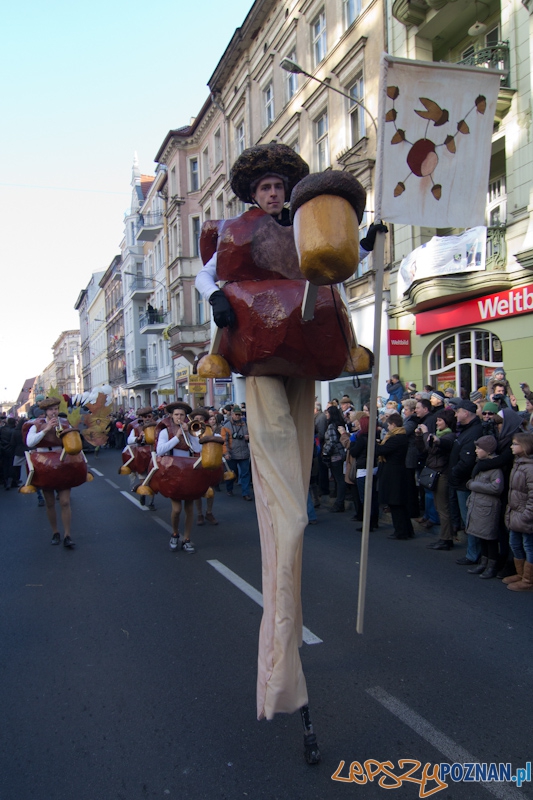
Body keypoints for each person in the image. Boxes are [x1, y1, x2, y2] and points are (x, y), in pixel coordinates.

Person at [195, 142, 385, 757]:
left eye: (281, 187)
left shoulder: (307, 226)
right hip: (260, 354)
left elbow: (333, 264)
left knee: (329, 305)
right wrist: (217, 299)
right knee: (286, 497)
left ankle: (292, 514)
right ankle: (289, 518)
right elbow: (210, 272)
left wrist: (367, 242)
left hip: (304, 348)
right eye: (267, 188)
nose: (274, 195)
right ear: (255, 192)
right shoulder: (237, 229)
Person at [25, 397, 87, 548]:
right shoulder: (36, 424)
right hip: (44, 463)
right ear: (45, 411)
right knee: (50, 502)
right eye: (51, 409)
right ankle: (55, 532)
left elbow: (74, 443)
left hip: (62, 462)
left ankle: (67, 535)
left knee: (65, 502)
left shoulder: (64, 423)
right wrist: (46, 429)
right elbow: (30, 442)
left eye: (56, 409)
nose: (54, 412)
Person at [155, 402, 202, 553]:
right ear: (171, 416)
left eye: (182, 415)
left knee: (189, 508)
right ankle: (175, 533)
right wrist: (177, 437)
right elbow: (160, 450)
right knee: (176, 509)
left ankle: (186, 538)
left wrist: (189, 434)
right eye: (176, 415)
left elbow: (198, 449)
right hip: (172, 471)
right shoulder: (165, 431)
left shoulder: (191, 429)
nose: (179, 417)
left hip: (188, 471)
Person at [448, 399, 483, 566]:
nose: (455, 415)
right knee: (467, 518)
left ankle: (474, 553)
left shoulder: (474, 431)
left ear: (466, 413)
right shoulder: (467, 430)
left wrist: (454, 474)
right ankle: (474, 552)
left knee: (470, 519)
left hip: (464, 482)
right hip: (461, 481)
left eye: (457, 411)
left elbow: (467, 461)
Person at [464, 435, 504, 578]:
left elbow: (496, 487)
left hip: (488, 507)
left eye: (479, 448)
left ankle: (491, 565)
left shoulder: (494, 468)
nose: (476, 451)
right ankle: (483, 562)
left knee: (489, 538)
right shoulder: (480, 464)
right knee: (481, 536)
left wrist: (474, 485)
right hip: (478, 504)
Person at [419, 409, 456, 551]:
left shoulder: (449, 436)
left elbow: (435, 448)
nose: (437, 423)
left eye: (440, 420)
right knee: (438, 506)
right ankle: (444, 537)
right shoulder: (439, 435)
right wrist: (420, 437)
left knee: (443, 508)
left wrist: (426, 434)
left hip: (442, 474)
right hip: (435, 472)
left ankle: (446, 538)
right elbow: (425, 449)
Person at [377, 412, 415, 540]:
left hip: (394, 474)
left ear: (393, 424)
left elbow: (382, 451)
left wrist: (375, 445)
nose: (388, 428)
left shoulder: (396, 438)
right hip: (396, 472)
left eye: (388, 425)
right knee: (399, 503)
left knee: (396, 503)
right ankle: (407, 530)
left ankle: (401, 531)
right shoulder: (401, 437)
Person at [504, 432, 533, 591]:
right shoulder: (518, 463)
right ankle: (521, 574)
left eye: (515, 444)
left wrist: (526, 516)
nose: (512, 447)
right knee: (515, 543)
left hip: (525, 516)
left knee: (528, 546)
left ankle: (528, 580)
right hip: (516, 513)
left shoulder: (529, 468)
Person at [192, 407, 222, 524]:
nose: (199, 420)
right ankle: (199, 514)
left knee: (211, 488)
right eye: (196, 418)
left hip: (209, 459)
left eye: (201, 419)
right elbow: (194, 447)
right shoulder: (191, 431)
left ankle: (209, 512)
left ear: (205, 420)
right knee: (197, 490)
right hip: (195, 460)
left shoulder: (210, 430)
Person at [222, 405, 252, 500]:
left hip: (244, 454)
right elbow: (224, 441)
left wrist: (249, 438)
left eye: (239, 415)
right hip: (232, 454)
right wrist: (226, 453)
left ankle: (245, 493)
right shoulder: (226, 426)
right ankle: (229, 489)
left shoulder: (246, 425)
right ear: (232, 414)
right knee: (231, 474)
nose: (238, 416)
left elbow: (252, 438)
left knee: (245, 474)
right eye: (236, 414)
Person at [322, 404, 347, 512]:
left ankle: (339, 502)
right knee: (339, 479)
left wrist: (326, 452)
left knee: (339, 479)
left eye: (327, 413)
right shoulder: (339, 424)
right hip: (339, 454)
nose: (326, 415)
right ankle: (339, 501)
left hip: (335, 456)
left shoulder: (332, 426)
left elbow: (332, 442)